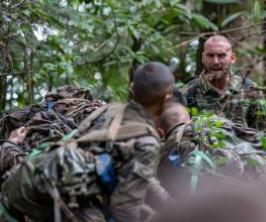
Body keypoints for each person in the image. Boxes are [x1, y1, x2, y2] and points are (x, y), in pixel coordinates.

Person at [1, 62, 174, 222]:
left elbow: (140, 174)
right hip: (70, 201)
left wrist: (170, 205)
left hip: (28, 185)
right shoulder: (148, 142)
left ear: (132, 88)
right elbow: (124, 209)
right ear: (166, 98)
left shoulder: (108, 110)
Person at [157, 103, 266, 199]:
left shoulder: (169, 148)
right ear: (189, 118)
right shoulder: (216, 122)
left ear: (161, 132)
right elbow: (264, 141)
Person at [181, 35, 266, 134]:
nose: (215, 62)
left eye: (221, 55)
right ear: (203, 58)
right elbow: (177, 139)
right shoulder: (188, 93)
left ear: (232, 58)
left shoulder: (249, 90)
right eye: (210, 56)